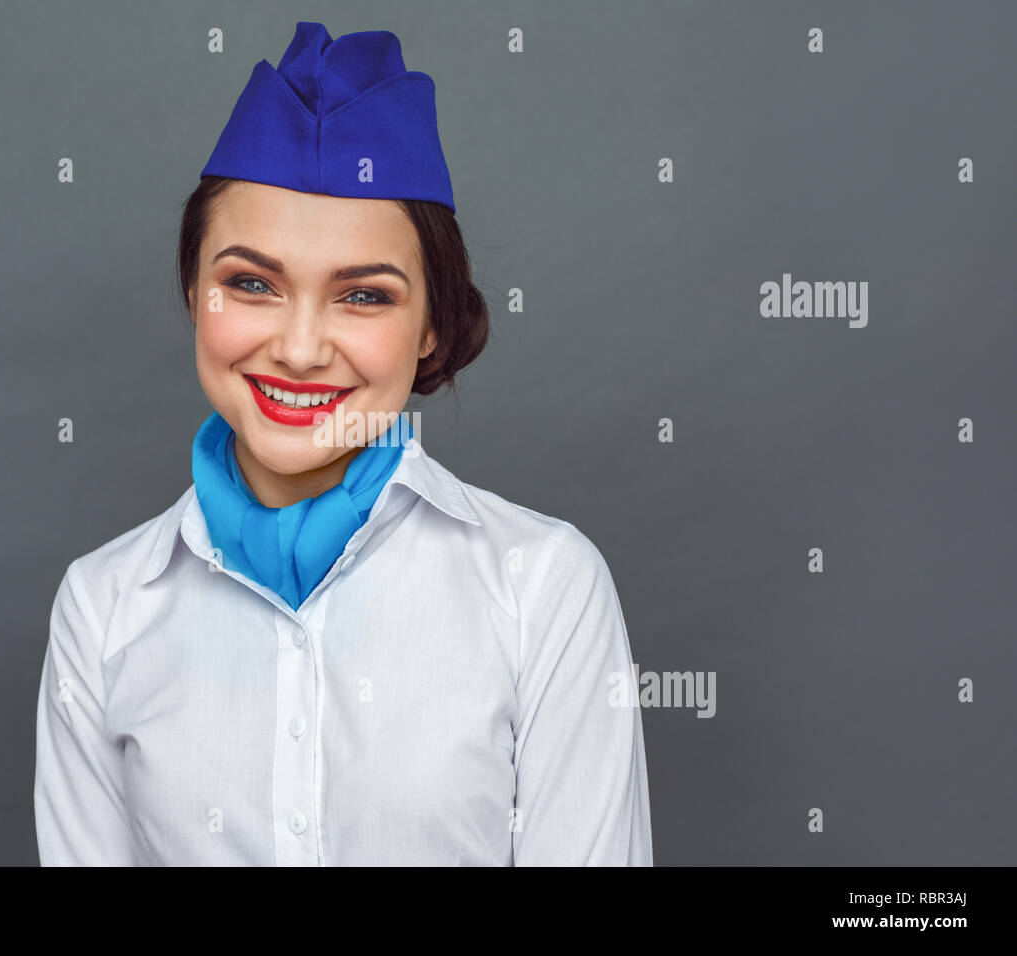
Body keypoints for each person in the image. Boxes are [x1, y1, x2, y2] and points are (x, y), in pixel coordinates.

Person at [34, 20, 653, 866]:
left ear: (434, 325)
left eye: (363, 297)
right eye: (250, 284)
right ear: (193, 293)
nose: (297, 348)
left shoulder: (543, 592)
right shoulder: (101, 609)